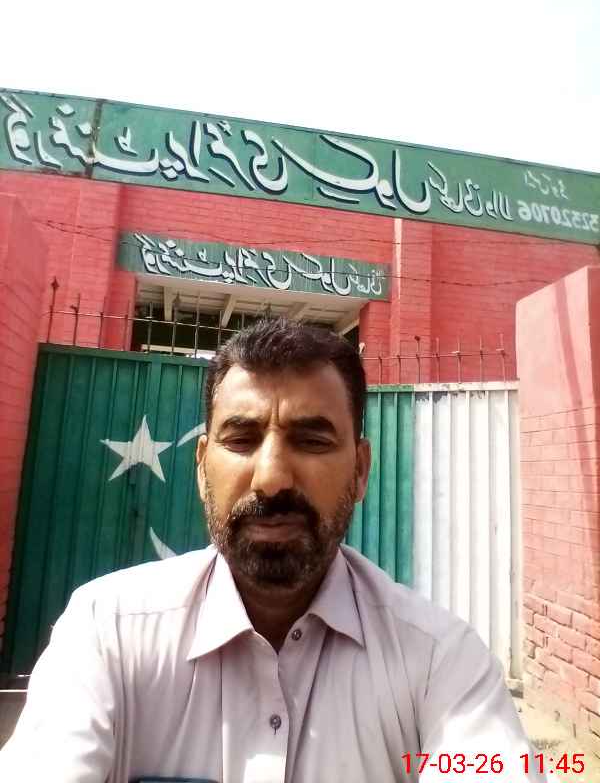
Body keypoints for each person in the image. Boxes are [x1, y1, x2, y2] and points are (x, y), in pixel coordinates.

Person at [0, 317, 546, 783]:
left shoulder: (439, 660)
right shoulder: (107, 631)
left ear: (360, 471)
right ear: (201, 469)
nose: (272, 478)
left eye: (312, 440)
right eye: (241, 440)